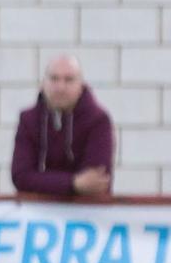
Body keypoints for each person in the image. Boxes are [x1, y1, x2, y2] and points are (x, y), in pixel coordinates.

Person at [11, 55, 113, 197]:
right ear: (43, 83)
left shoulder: (98, 120)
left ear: (81, 86)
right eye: (54, 79)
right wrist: (73, 183)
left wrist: (42, 182)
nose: (60, 87)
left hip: (87, 214)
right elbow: (21, 177)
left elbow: (96, 181)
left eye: (69, 79)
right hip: (37, 215)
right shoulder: (29, 119)